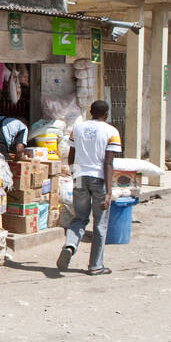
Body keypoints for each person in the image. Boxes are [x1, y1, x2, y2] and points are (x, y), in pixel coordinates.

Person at [59, 100, 121, 276]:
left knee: (79, 217)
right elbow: (108, 162)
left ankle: (70, 246)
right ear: (106, 114)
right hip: (99, 179)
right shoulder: (111, 131)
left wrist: (74, 175)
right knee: (100, 224)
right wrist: (109, 192)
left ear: (91, 112)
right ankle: (95, 266)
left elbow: (71, 155)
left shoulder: (78, 128)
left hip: (79, 176)